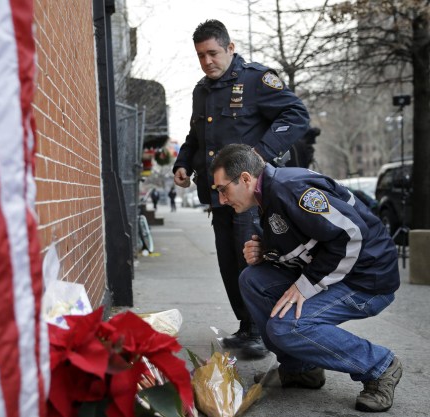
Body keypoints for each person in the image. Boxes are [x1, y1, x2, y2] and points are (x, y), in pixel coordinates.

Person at [210, 144, 402, 413]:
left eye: (222, 189)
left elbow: (351, 235)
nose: (221, 199)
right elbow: (310, 242)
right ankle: (301, 369)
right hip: (342, 272)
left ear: (244, 179)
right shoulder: (268, 195)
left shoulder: (293, 190)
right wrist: (267, 252)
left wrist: (306, 285)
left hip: (368, 280)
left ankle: (379, 365)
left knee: (286, 326)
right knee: (252, 279)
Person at [172, 19, 310, 356]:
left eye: (213, 53)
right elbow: (195, 137)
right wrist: (183, 163)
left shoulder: (256, 79)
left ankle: (264, 331)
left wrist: (259, 156)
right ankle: (248, 327)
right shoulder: (201, 90)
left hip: (253, 195)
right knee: (228, 262)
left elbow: (296, 114)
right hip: (220, 195)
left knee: (252, 261)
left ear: (230, 48)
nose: (207, 62)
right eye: (201, 56)